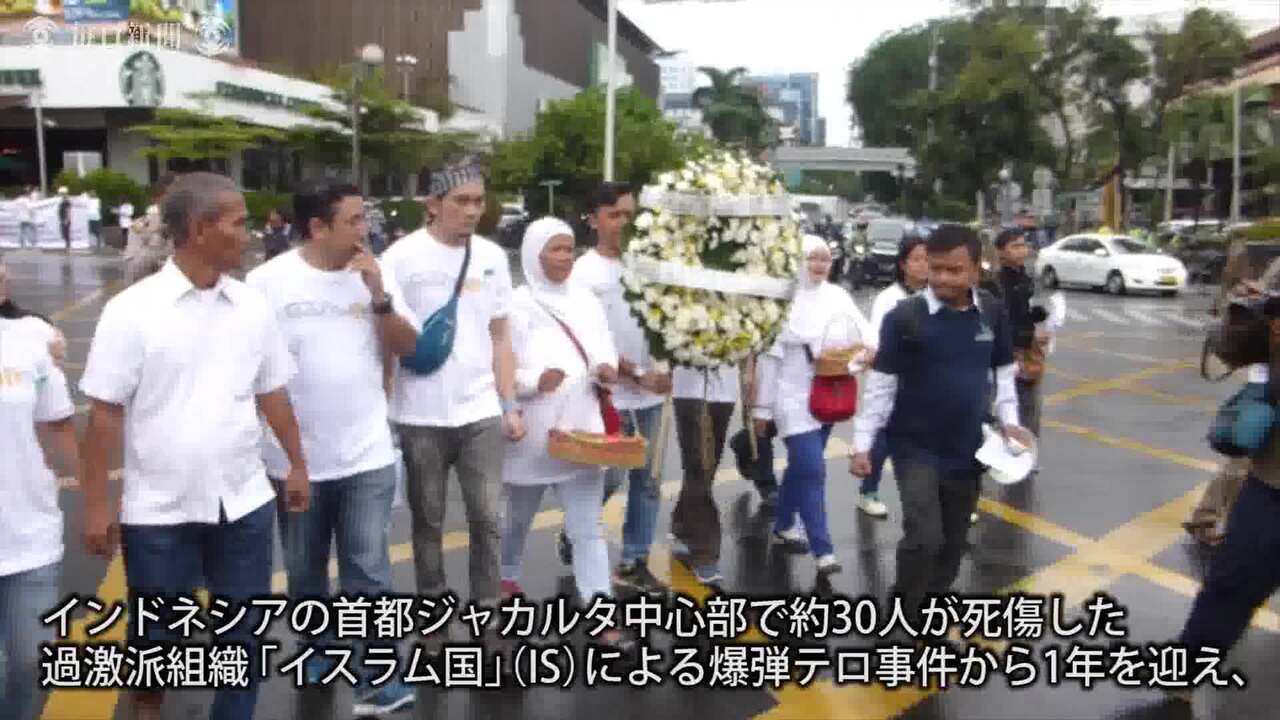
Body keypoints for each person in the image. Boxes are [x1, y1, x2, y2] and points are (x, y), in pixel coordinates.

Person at [79, 172, 308, 720]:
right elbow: (105, 415)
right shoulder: (132, 311)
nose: (249, 234)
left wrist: (298, 464)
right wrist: (96, 507)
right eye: (238, 223)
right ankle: (148, 705)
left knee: (243, 634)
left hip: (244, 502)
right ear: (202, 229)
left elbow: (272, 392)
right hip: (161, 510)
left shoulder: (251, 306)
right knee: (158, 635)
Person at [244, 181, 417, 715]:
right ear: (318, 227)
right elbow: (249, 365)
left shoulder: (374, 275)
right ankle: (318, 649)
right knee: (304, 570)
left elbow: (408, 346)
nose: (365, 230)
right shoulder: (267, 283)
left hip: (367, 453)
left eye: (366, 219)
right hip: (294, 461)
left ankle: (377, 675)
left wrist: (380, 298)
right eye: (354, 220)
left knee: (369, 570)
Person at [378, 156, 525, 632]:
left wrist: (510, 404)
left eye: (478, 201)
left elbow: (500, 336)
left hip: (480, 412)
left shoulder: (492, 257)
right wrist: (383, 407)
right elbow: (386, 338)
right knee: (428, 522)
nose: (472, 210)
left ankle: (489, 610)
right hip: (420, 415)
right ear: (433, 203)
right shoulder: (400, 258)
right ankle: (433, 612)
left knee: (487, 519)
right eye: (461, 201)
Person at [850, 224, 1019, 624]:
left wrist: (1011, 425)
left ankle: (932, 606)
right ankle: (903, 612)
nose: (942, 278)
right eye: (935, 268)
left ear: (976, 269)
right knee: (924, 537)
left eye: (954, 270)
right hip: (915, 447)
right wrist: (862, 444)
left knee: (953, 542)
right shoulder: (904, 317)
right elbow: (881, 385)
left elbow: (1004, 375)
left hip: (969, 448)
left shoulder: (991, 312)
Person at [500, 219, 631, 645]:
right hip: (532, 435)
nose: (564, 257)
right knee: (517, 520)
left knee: (588, 528)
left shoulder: (586, 300)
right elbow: (501, 367)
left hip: (582, 431)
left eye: (568, 248)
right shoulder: (516, 303)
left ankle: (600, 610)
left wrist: (606, 369)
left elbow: (604, 347)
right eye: (554, 249)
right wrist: (534, 381)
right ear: (533, 254)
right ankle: (506, 576)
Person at [567, 182, 670, 595]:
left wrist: (669, 361)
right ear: (594, 220)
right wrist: (637, 374)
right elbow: (591, 340)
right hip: (607, 396)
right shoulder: (584, 273)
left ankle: (633, 560)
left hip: (651, 395)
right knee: (609, 478)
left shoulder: (648, 266)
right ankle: (575, 530)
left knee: (649, 480)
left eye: (630, 214)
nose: (624, 222)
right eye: (615, 215)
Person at [754, 235, 869, 575]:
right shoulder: (781, 301)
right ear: (798, 260)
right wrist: (762, 409)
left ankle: (783, 523)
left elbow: (864, 336)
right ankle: (823, 549)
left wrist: (857, 359)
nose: (819, 265)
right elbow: (769, 361)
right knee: (813, 470)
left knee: (801, 469)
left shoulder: (838, 296)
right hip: (790, 399)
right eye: (812, 258)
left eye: (825, 258)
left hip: (828, 394)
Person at [0, 262, 79, 720]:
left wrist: (96, 502)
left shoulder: (33, 336)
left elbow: (59, 422)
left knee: (30, 661)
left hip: (28, 533)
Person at [856, 233, 929, 520]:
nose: (923, 265)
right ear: (903, 264)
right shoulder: (889, 299)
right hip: (893, 378)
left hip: (925, 381)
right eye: (917, 259)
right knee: (883, 437)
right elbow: (877, 339)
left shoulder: (935, 295)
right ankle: (868, 492)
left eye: (927, 259)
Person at [985, 229, 1050, 473]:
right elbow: (1001, 321)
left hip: (1028, 351)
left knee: (1030, 406)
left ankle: (1026, 454)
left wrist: (1039, 316)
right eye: (1015, 246)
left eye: (1023, 245)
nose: (1022, 250)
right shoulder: (995, 284)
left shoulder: (1026, 278)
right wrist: (1027, 336)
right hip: (1006, 353)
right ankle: (998, 454)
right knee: (1002, 405)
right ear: (1001, 252)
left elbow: (1026, 312)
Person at [670, 360, 739, 588]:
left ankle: (682, 523)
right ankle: (704, 551)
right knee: (699, 468)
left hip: (725, 389)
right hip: (689, 389)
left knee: (706, 469)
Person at [56, 186, 71, 251]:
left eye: (61, 194)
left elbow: (68, 210)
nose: (60, 195)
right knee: (63, 233)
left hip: (65, 219)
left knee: (66, 233)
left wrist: (67, 219)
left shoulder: (67, 202)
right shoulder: (62, 201)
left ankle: (68, 246)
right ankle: (67, 245)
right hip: (62, 219)